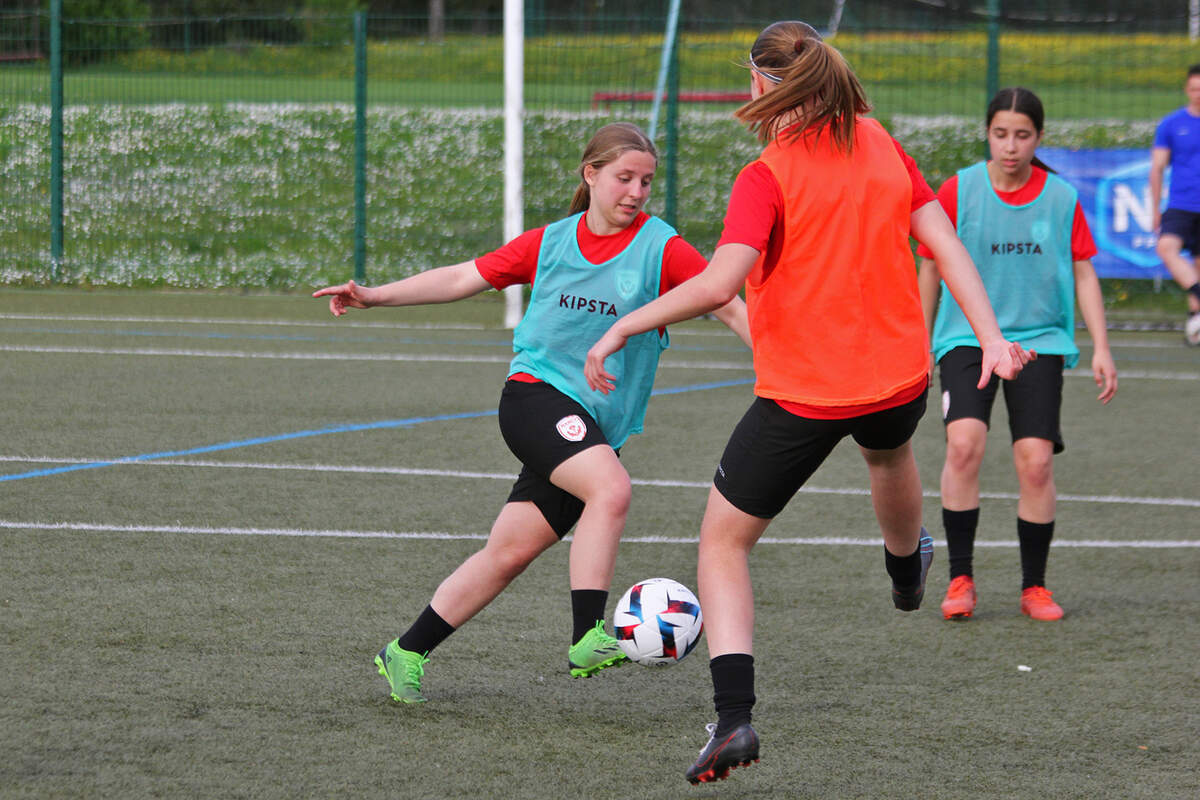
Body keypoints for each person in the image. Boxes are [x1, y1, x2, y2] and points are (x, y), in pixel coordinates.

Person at [583, 21, 1031, 785]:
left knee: (723, 543)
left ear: (762, 84)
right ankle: (904, 569)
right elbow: (945, 243)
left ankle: (733, 719)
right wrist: (990, 338)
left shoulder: (768, 174)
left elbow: (721, 284)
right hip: (898, 381)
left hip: (804, 394)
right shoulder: (879, 140)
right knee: (888, 452)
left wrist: (625, 321)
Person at [314, 122, 750, 703]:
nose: (636, 191)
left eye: (646, 181)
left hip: (593, 427)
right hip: (534, 397)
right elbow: (462, 277)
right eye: (623, 177)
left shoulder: (661, 247)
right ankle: (587, 636)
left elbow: (725, 301)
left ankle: (405, 650)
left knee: (508, 553)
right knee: (611, 491)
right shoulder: (550, 242)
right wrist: (374, 294)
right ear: (590, 175)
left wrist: (782, 363)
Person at [917, 88, 1119, 623]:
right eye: (1001, 133)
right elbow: (933, 265)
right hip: (966, 338)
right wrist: (921, 337)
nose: (1011, 146)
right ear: (987, 133)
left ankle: (1035, 587)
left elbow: (1082, 271)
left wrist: (1101, 346)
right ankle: (961, 579)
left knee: (1034, 462)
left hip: (1040, 342)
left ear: (1039, 138)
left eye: (1022, 135)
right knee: (963, 445)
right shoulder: (958, 190)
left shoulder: (1060, 197)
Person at [1150, 64, 1200, 346]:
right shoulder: (1171, 124)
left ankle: (1195, 320)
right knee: (1166, 248)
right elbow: (1157, 167)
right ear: (1186, 90)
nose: (1198, 94)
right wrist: (1155, 208)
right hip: (1181, 204)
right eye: (1194, 89)